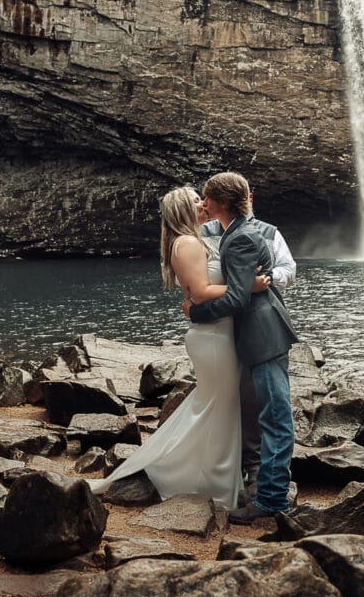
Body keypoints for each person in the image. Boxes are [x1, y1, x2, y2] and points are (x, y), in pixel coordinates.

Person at [88, 186, 270, 510]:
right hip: (212, 338)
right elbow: (199, 293)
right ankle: (200, 480)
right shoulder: (186, 243)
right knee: (218, 407)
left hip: (217, 334)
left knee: (215, 407)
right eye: (196, 200)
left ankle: (214, 477)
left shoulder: (193, 240)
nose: (203, 204)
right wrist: (248, 286)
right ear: (184, 209)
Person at [184, 172, 299, 524]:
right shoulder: (236, 231)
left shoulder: (241, 238)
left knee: (275, 416)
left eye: (206, 197)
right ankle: (267, 489)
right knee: (272, 413)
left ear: (221, 201)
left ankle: (272, 499)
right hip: (257, 333)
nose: (202, 203)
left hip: (263, 335)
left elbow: (236, 296)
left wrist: (198, 311)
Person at [200, 195, 296, 485]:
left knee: (254, 396)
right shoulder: (202, 234)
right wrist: (239, 285)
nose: (203, 204)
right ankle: (226, 460)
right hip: (221, 326)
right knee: (220, 392)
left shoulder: (267, 232)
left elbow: (289, 270)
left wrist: (264, 278)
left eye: (207, 199)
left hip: (250, 324)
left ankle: (256, 469)